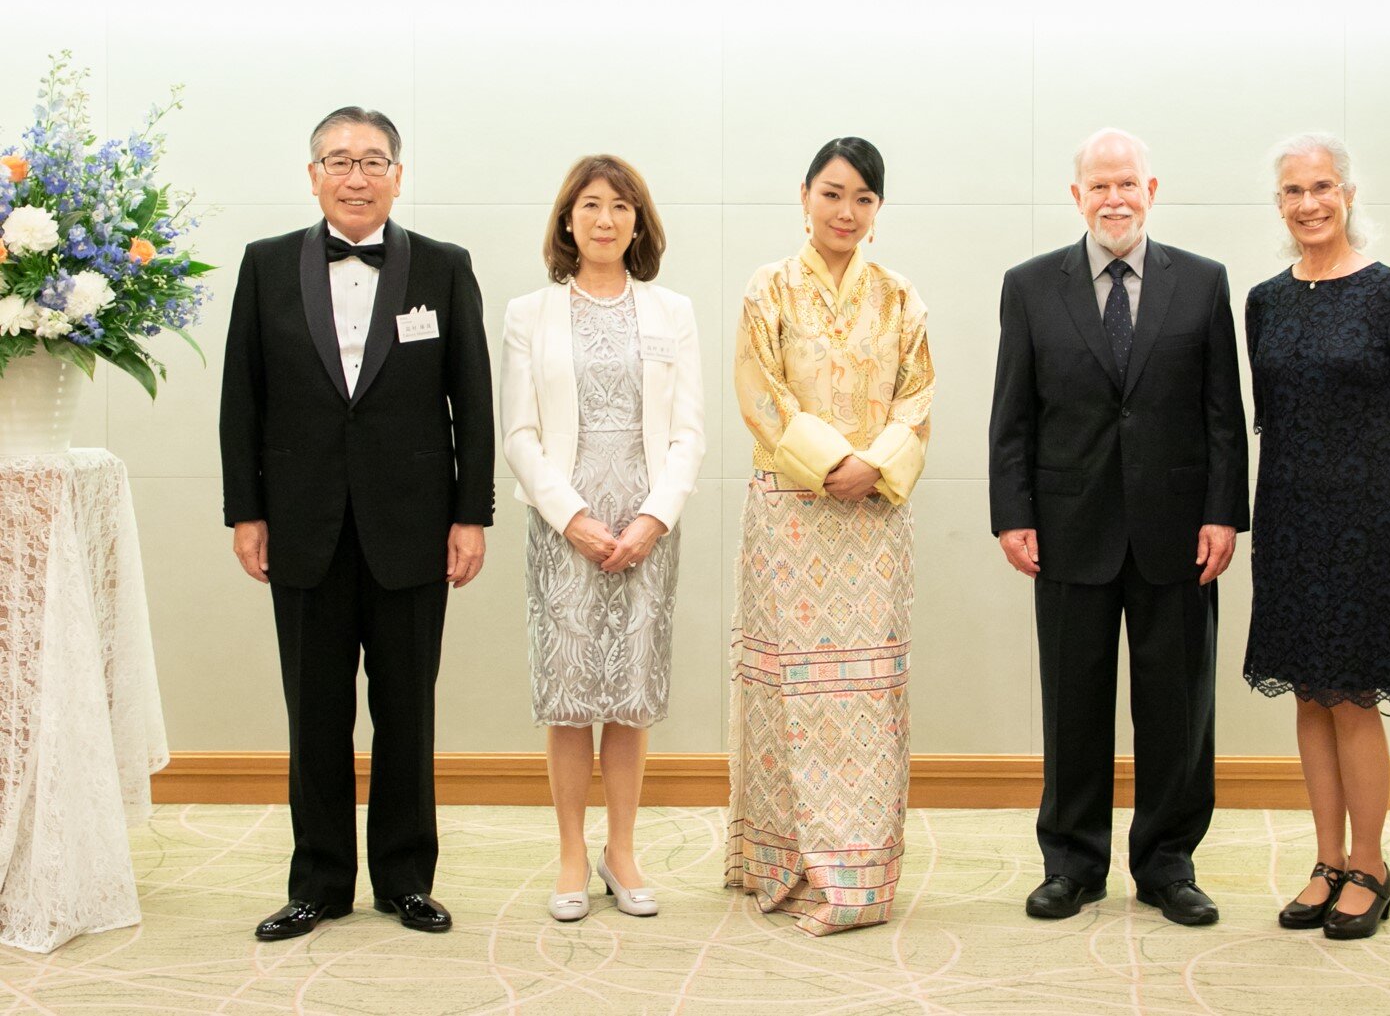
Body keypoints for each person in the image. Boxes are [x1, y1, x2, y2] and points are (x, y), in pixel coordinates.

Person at [219, 106, 493, 940]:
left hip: (412, 527)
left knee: (407, 710)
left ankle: (406, 878)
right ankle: (319, 882)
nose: (356, 175)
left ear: (398, 176)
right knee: (314, 711)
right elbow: (243, 397)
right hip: (300, 525)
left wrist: (469, 515)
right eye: (338, 160)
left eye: (373, 160)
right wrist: (246, 510)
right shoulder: (265, 265)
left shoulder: (443, 267)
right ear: (312, 176)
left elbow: (472, 401)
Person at [988, 128, 1247, 926]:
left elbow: (1221, 417)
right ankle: (1072, 863)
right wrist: (1012, 514)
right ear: (1076, 196)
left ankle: (1167, 863)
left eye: (1126, 183)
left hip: (1178, 534)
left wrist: (1222, 513)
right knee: (1072, 703)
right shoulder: (1029, 286)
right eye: (1098, 185)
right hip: (1066, 529)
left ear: (1151, 188)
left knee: (1177, 705)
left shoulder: (1201, 284)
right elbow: (1013, 414)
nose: (1113, 198)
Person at [725, 137, 934, 936]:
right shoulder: (767, 288)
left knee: (865, 697)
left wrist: (871, 464)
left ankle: (857, 878)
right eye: (832, 193)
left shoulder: (899, 295)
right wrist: (829, 461)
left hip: (873, 516)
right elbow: (759, 393)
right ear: (804, 196)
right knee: (787, 693)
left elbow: (918, 399)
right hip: (791, 510)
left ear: (877, 212)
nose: (845, 212)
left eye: (863, 199)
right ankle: (782, 864)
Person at [1245, 133, 1390, 940]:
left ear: (1348, 194)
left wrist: (1384, 503)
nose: (1308, 203)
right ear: (1279, 204)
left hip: (1366, 529)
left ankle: (1370, 863)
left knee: (1355, 697)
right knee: (1306, 691)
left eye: (1321, 186)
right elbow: (1270, 418)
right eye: (1293, 191)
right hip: (1289, 523)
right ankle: (1325, 860)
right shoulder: (1265, 299)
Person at [500, 155, 704, 922]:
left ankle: (622, 850)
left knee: (629, 692)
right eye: (590, 205)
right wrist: (574, 518)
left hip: (648, 524)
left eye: (621, 206)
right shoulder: (530, 313)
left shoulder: (671, 312)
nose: (605, 219)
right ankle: (569, 852)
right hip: (566, 524)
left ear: (638, 222)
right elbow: (519, 432)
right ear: (566, 220)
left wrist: (653, 516)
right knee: (568, 693)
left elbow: (689, 432)